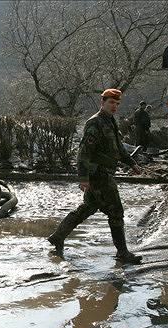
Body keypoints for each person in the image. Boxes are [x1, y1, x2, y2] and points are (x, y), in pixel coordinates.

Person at [47, 88, 143, 264]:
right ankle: (122, 253)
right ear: (103, 102)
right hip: (99, 175)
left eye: (116, 103)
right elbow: (84, 152)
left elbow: (118, 148)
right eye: (111, 103)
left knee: (88, 207)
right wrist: (83, 178)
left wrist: (131, 163)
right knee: (116, 212)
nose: (114, 106)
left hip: (104, 173)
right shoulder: (95, 123)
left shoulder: (110, 122)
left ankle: (58, 236)